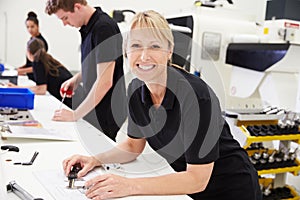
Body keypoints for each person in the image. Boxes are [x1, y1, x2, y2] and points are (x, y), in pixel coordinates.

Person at [62, 10, 262, 200]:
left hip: (232, 189)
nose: (144, 56)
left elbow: (197, 179)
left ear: (169, 51)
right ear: (126, 52)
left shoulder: (197, 97)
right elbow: (133, 145)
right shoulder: (136, 90)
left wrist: (129, 185)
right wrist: (96, 159)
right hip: (188, 191)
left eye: (155, 46)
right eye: (136, 46)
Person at [45, 0, 126, 141]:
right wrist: (76, 79)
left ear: (77, 7)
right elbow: (96, 64)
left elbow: (105, 81)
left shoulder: (103, 28)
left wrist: (76, 114)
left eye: (65, 18)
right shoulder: (87, 27)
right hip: (95, 108)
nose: (64, 24)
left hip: (107, 112)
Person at [8, 38, 73, 108]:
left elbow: (41, 90)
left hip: (71, 101)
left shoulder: (38, 62)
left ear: (28, 52)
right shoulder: (46, 59)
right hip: (77, 96)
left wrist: (17, 88)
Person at [18, 11, 48, 82]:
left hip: (37, 78)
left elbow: (39, 66)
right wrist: (20, 68)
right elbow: (30, 62)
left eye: (32, 27)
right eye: (27, 27)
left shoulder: (41, 43)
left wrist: (21, 71)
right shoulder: (31, 40)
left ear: (37, 26)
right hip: (30, 76)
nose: (30, 30)